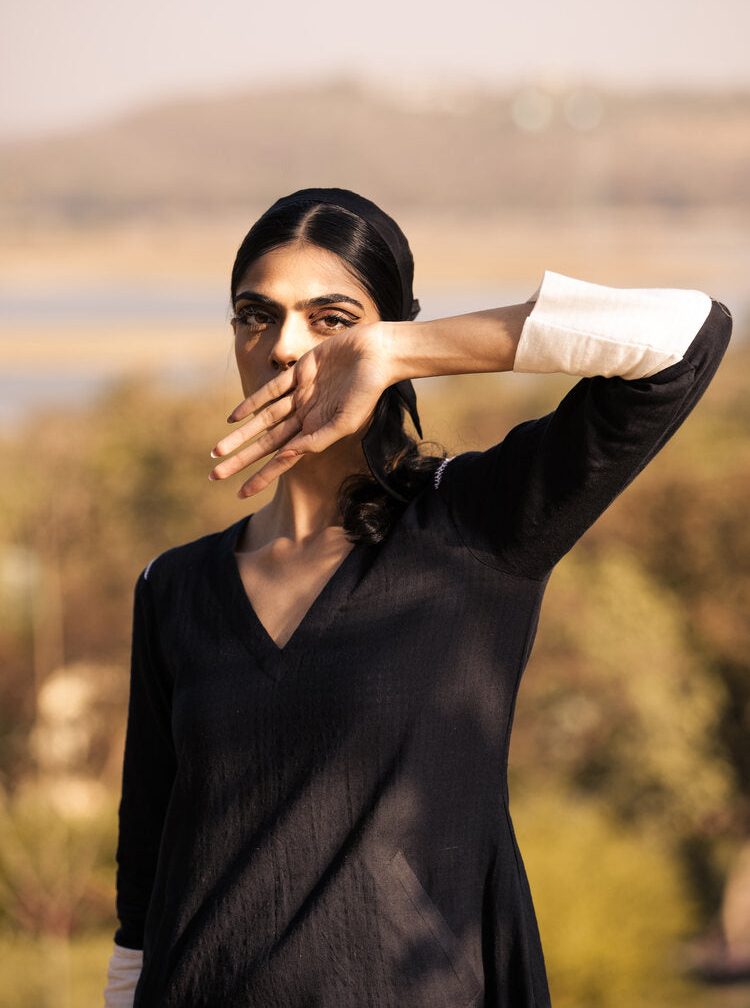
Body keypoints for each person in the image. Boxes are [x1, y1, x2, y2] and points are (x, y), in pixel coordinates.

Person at [104, 187, 732, 1008]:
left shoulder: (477, 524)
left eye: (331, 318)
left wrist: (403, 350)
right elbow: (145, 878)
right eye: (256, 314)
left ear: (393, 328)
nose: (286, 344)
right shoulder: (174, 585)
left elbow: (687, 335)